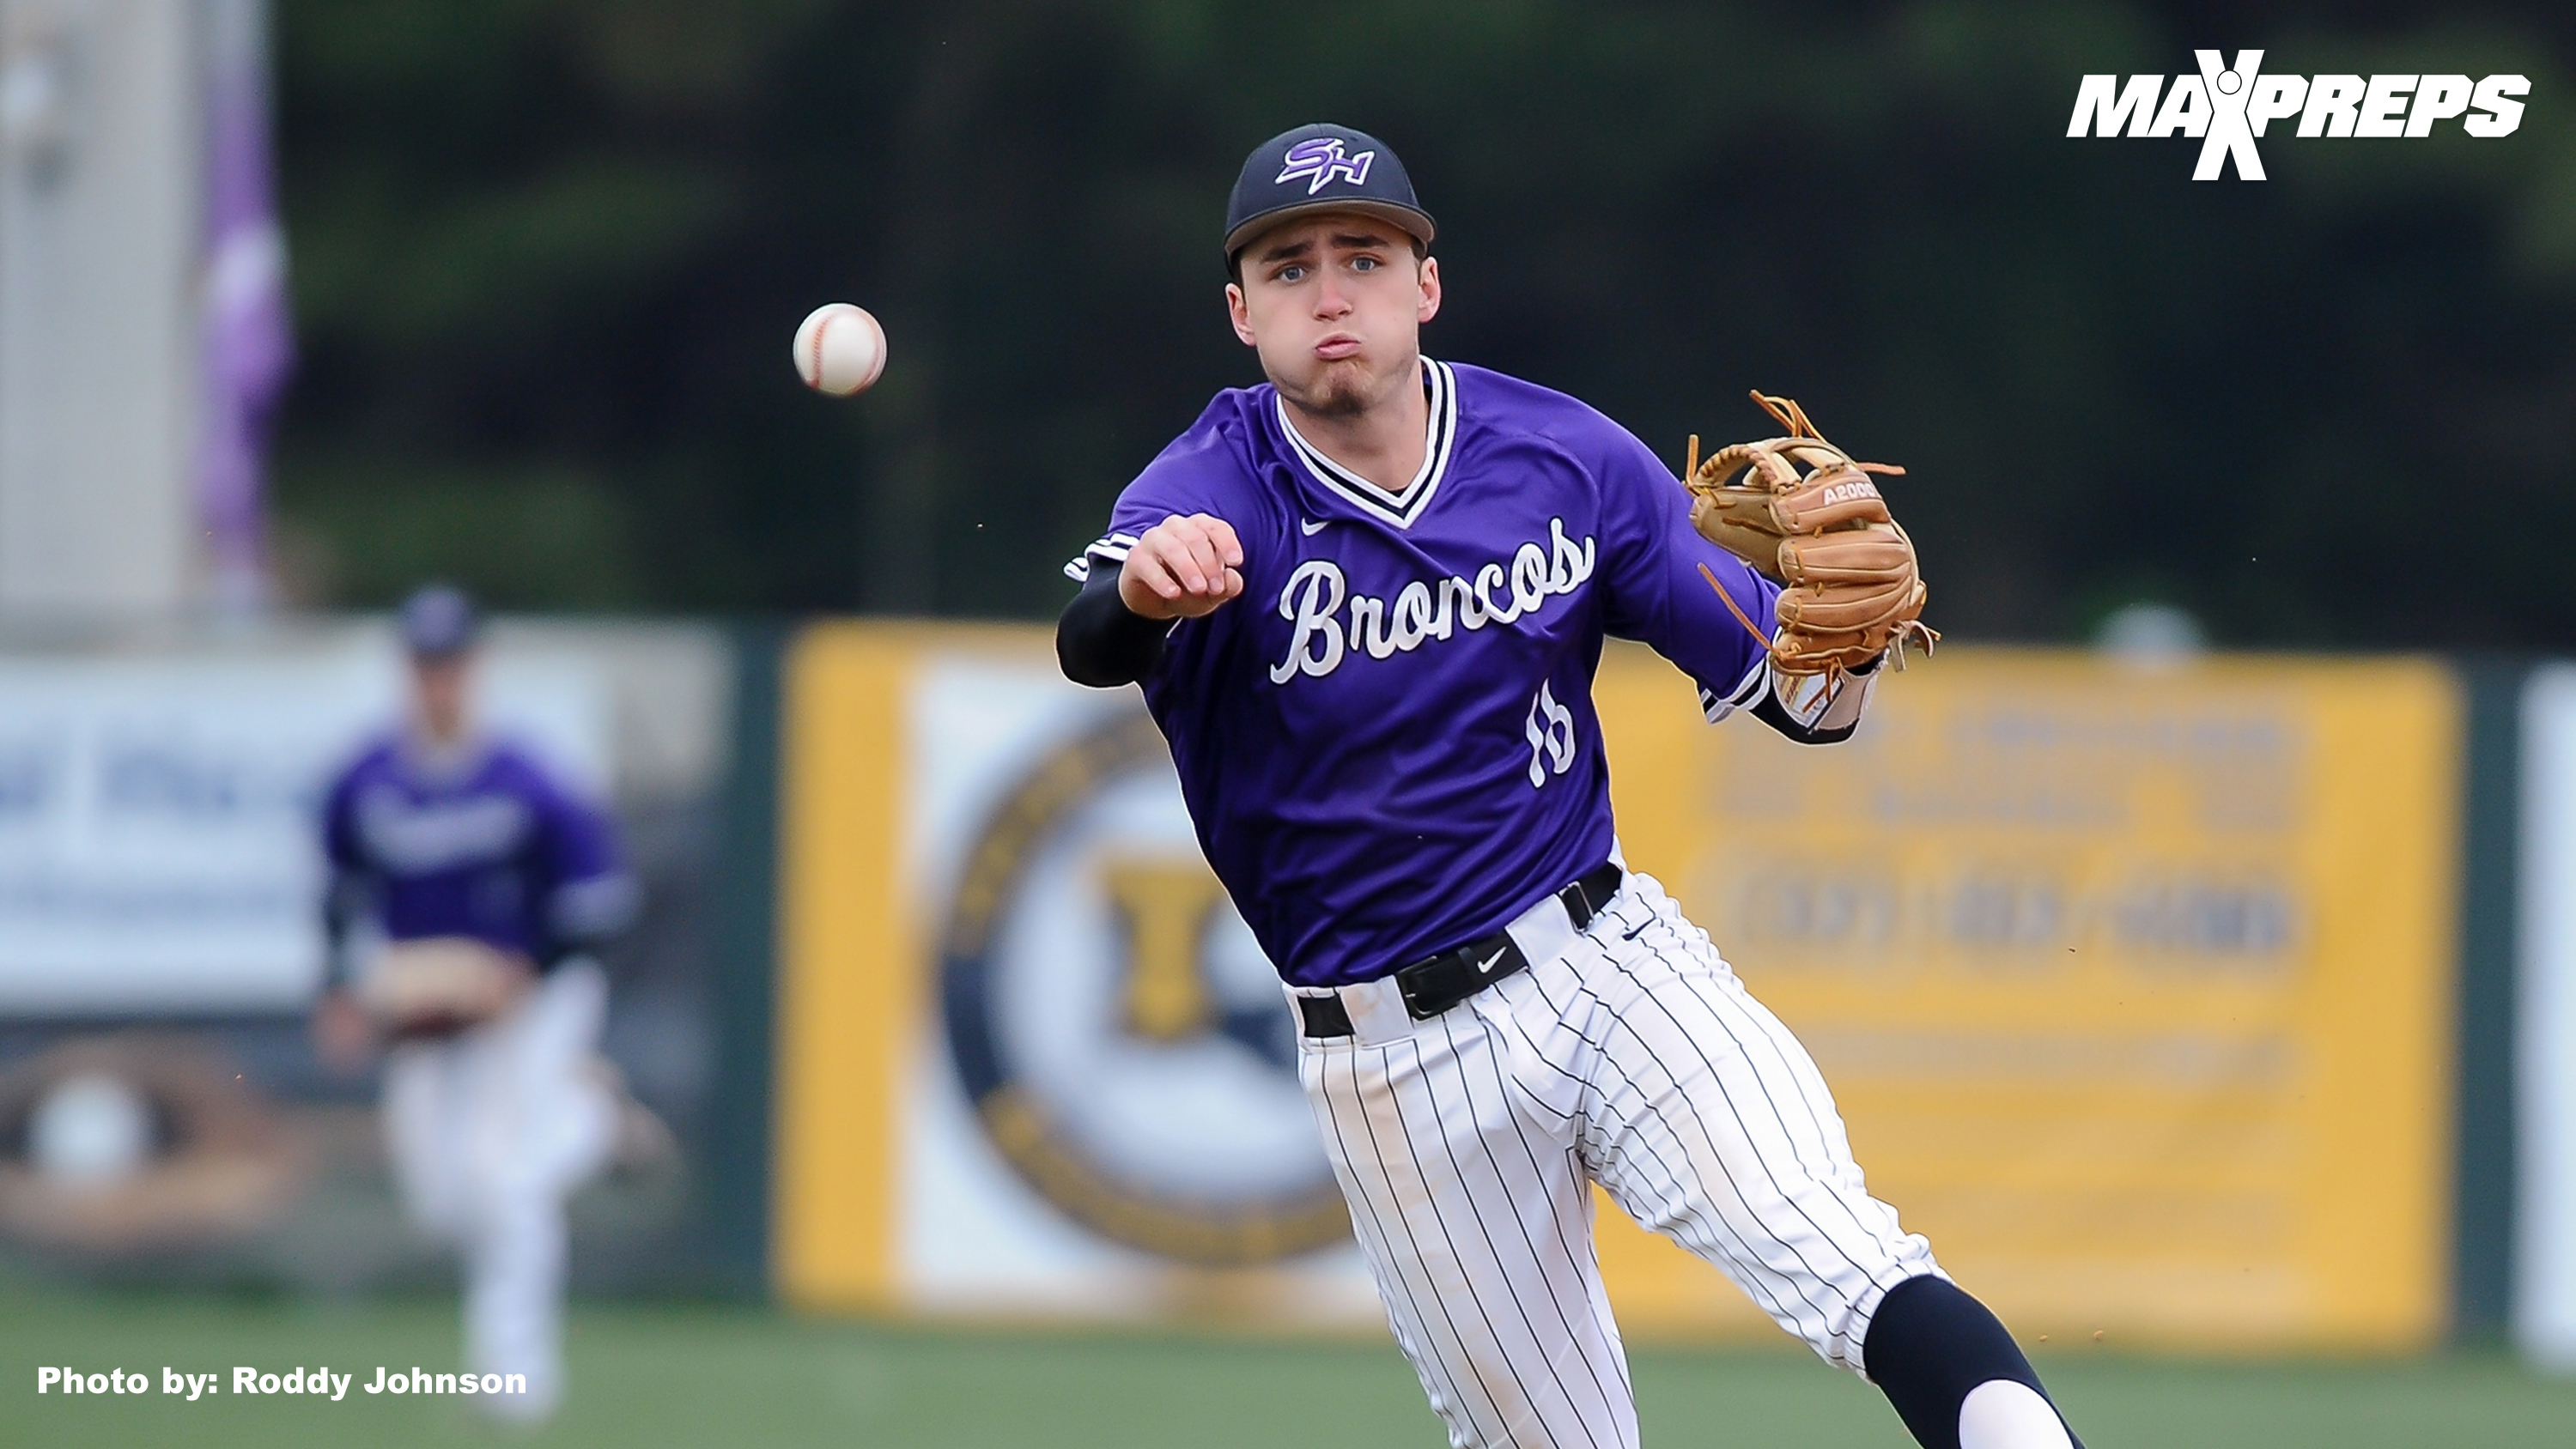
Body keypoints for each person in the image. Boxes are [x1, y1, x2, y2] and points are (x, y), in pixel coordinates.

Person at [1056, 124, 2085, 1449]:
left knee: (1834, 1247)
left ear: (1425, 286)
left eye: (1363, 256)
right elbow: (1094, 638)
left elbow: (1802, 701)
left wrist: (1854, 653)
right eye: (1289, 264)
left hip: (1609, 963)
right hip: (1394, 1064)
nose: (1330, 290)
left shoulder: (1565, 457)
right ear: (1241, 311)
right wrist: (1142, 594)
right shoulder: (1208, 488)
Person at [312, 585, 637, 1423]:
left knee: (508, 1181)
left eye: (451, 663)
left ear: (476, 668)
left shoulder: (528, 779)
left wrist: (522, 975)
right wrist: (339, 990)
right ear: (405, 672)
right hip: (427, 1012)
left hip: (535, 1001)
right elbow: (338, 895)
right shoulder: (368, 780)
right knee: (440, 1200)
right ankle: (593, 1119)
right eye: (424, 664)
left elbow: (596, 908)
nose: (438, 682)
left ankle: (514, 1376)